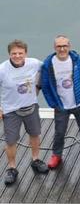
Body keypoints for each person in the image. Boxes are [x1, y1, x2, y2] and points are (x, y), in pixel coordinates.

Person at [41, 35, 80, 169]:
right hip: (60, 105)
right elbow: (45, 85)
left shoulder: (77, 60)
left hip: (79, 103)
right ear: (54, 47)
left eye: (64, 46)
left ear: (69, 46)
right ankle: (57, 154)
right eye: (59, 46)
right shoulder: (48, 64)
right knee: (60, 131)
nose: (62, 49)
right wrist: (52, 103)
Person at [0, 40, 48, 185]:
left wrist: (39, 86)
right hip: (11, 110)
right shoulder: (2, 69)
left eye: (20, 53)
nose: (17, 56)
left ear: (25, 53)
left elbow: (47, 68)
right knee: (11, 141)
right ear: (9, 54)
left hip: (31, 106)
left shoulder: (34, 63)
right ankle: (12, 168)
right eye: (14, 53)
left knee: (35, 134)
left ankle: (35, 159)